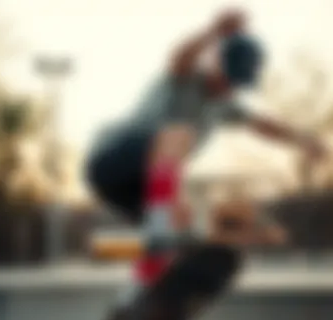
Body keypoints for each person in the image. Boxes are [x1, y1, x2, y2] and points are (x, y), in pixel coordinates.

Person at [87, 9, 326, 227]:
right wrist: (215, 30)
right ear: (216, 63)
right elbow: (180, 56)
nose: (229, 89)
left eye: (236, 84)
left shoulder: (225, 106)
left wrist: (304, 141)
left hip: (136, 186)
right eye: (228, 78)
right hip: (114, 158)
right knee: (178, 136)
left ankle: (161, 261)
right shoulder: (185, 78)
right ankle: (161, 223)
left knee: (182, 222)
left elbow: (264, 126)